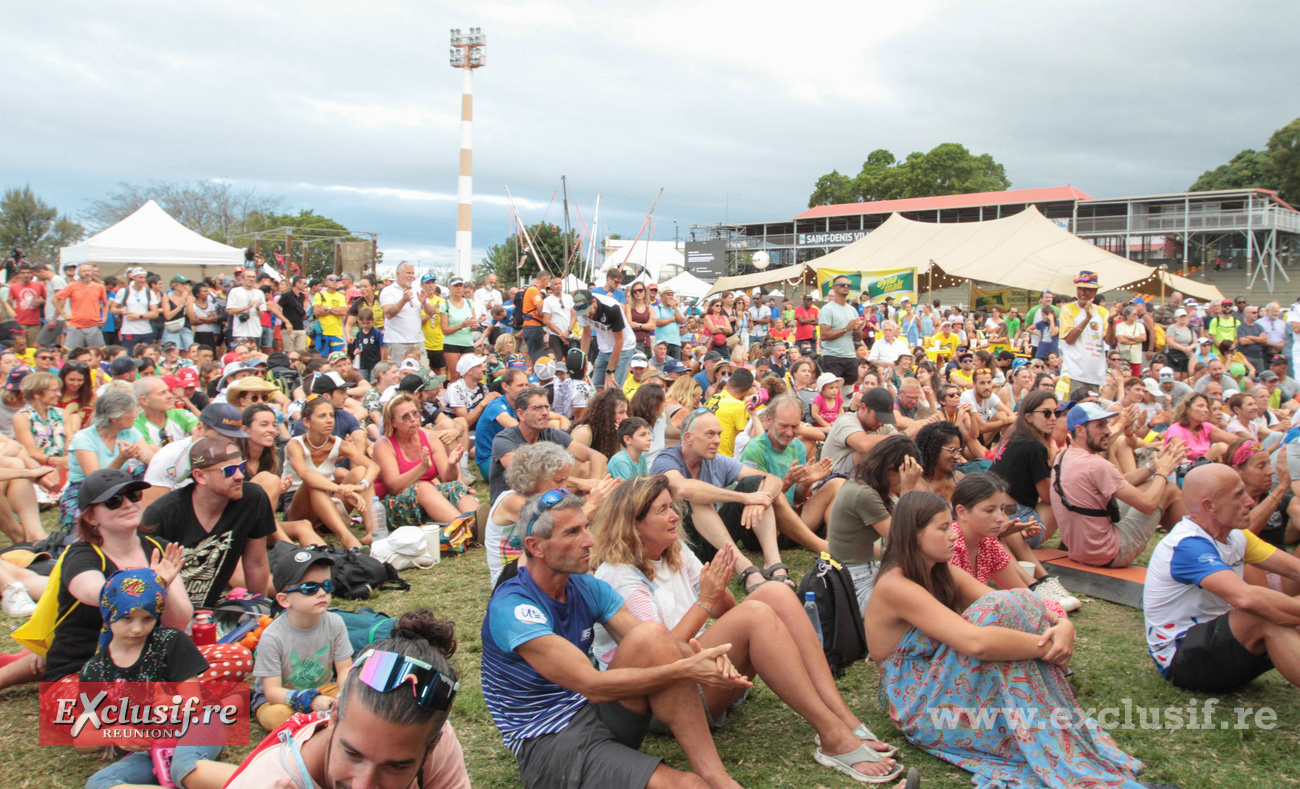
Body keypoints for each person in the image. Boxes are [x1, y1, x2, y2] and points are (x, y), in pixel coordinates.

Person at [591, 476, 905, 783]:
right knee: (755, 612)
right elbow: (659, 651)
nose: (675, 516)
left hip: (703, 670)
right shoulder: (619, 575)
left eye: (672, 507)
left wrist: (718, 586)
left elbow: (725, 610)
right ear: (634, 523)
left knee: (775, 593)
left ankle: (843, 718)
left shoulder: (674, 552)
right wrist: (705, 600)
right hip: (664, 699)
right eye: (663, 510)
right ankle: (832, 736)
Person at [865, 491, 1147, 788]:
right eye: (943, 528)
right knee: (995, 613)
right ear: (913, 534)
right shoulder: (895, 585)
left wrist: (1062, 624)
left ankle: (1044, 720)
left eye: (952, 526)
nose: (953, 536)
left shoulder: (942, 572)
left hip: (944, 687)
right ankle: (1047, 722)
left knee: (1014, 601)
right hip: (921, 710)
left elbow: (1017, 603)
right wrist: (1048, 647)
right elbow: (977, 643)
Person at [480, 489, 753, 789]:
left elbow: (656, 646)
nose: (590, 540)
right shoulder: (514, 608)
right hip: (549, 741)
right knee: (689, 786)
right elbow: (591, 685)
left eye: (586, 527)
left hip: (590, 713)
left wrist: (702, 656)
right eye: (573, 532)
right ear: (536, 546)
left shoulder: (584, 586)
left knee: (652, 635)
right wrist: (685, 669)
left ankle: (717, 774)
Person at [226, 608, 470, 789]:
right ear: (333, 718)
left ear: (431, 747)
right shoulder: (272, 782)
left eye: (396, 766)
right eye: (353, 754)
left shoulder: (429, 737)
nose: (362, 785)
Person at [76, 567, 238, 789]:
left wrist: (172, 705)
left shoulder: (170, 641)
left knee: (184, 768)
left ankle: (271, 782)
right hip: (150, 746)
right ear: (108, 613)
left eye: (148, 618)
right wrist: (113, 734)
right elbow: (81, 739)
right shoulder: (94, 671)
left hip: (199, 722)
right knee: (99, 784)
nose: (137, 628)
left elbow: (195, 703)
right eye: (127, 618)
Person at [1145, 463, 1300, 692]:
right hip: (1181, 660)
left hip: (1220, 648)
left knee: (1280, 609)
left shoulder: (1237, 536)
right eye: (1239, 495)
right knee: (1263, 612)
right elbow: (1246, 599)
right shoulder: (1187, 545)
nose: (1250, 501)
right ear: (1211, 507)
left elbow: (1296, 569)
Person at [654, 410, 823, 592]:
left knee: (756, 484)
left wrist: (758, 500)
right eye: (709, 434)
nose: (717, 440)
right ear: (688, 437)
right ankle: (746, 570)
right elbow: (684, 489)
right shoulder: (666, 460)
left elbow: (772, 479)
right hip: (680, 546)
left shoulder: (718, 461)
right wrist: (745, 497)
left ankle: (773, 563)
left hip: (714, 542)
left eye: (719, 434)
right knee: (698, 497)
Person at [1050, 402, 1187, 568]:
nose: (1107, 431)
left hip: (1079, 548)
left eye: (1106, 425)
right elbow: (1148, 505)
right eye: (1100, 426)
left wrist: (1154, 465)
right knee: (1168, 489)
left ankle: (1188, 546)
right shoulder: (1097, 465)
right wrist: (1163, 472)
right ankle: (1196, 549)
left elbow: (1121, 482)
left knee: (1149, 485)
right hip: (1107, 553)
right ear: (1080, 431)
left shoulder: (1063, 456)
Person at [142, 436, 274, 605]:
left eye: (241, 466)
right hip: (166, 612)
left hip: (210, 613)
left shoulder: (252, 499)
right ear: (200, 476)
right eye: (229, 470)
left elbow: (256, 563)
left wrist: (258, 610)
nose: (240, 475)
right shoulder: (161, 514)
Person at [252, 549, 354, 730]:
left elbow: (345, 670)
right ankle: (324, 718)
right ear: (284, 600)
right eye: (310, 588)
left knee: (357, 696)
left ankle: (321, 717)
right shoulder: (272, 637)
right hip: (282, 699)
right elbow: (272, 691)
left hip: (325, 689)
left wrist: (345, 695)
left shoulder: (335, 623)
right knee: (276, 716)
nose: (322, 593)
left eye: (327, 585)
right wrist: (308, 700)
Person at [740, 395, 842, 538]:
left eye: (795, 426)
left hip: (791, 519)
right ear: (769, 420)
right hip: (765, 525)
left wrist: (806, 483)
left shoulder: (797, 446)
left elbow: (798, 498)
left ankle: (833, 544)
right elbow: (757, 499)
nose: (789, 433)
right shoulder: (755, 448)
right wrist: (787, 482)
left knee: (837, 483)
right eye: (783, 426)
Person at [284, 398, 380, 549]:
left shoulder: (338, 443)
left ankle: (371, 532)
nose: (329, 420)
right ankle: (347, 538)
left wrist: (361, 486)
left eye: (331, 415)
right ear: (307, 422)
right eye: (322, 416)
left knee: (360, 471)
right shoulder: (295, 445)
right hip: (298, 508)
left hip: (325, 504)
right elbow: (305, 474)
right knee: (313, 483)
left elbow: (373, 466)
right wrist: (342, 490)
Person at [489, 386, 606, 506]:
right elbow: (526, 474)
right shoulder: (504, 440)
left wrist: (594, 484)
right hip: (513, 504)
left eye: (546, 407)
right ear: (521, 414)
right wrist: (579, 483)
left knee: (586, 466)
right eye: (538, 408)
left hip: (544, 498)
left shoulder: (551, 433)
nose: (545, 413)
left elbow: (597, 456)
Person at [373, 393, 476, 527]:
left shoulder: (430, 439)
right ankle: (466, 527)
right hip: (391, 505)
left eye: (415, 413)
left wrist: (451, 465)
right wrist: (422, 468)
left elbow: (448, 479)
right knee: (423, 487)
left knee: (456, 486)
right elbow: (393, 487)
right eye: (405, 417)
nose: (413, 419)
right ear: (393, 422)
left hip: (424, 500)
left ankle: (480, 522)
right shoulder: (384, 445)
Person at [61, 390, 155, 532]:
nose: (135, 415)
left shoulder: (130, 432)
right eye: (131, 412)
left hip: (121, 484)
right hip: (87, 489)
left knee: (148, 469)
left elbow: (154, 461)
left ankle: (150, 510)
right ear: (114, 417)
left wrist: (142, 457)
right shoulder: (84, 438)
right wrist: (121, 458)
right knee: (92, 526)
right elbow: (95, 481)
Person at [822, 387, 898, 476]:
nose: (881, 423)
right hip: (832, 481)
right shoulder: (846, 420)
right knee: (869, 451)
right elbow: (863, 445)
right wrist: (901, 436)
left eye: (884, 419)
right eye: (878, 417)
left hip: (858, 482)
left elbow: (900, 445)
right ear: (863, 407)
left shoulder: (882, 425)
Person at [1058, 270, 1108, 397]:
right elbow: (1069, 339)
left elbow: (1109, 341)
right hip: (1073, 374)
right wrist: (1087, 319)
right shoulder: (1067, 309)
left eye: (1087, 289)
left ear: (1095, 292)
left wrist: (1112, 322)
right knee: (1069, 410)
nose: (1082, 293)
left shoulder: (1102, 312)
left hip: (1096, 375)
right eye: (1080, 288)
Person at [576, 288, 636, 390]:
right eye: (584, 313)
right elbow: (586, 334)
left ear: (594, 302)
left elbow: (619, 341)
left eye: (588, 311)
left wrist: (610, 370)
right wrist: (583, 358)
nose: (587, 315)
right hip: (604, 347)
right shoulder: (581, 310)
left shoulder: (611, 307)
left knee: (612, 389)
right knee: (595, 388)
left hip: (623, 347)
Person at [1164, 391, 1238, 461]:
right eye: (1201, 406)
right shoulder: (1176, 430)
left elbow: (1237, 441)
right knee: (1220, 448)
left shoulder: (1205, 426)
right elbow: (1182, 463)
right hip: (1186, 471)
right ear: (1187, 409)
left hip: (1208, 468)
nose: (1206, 410)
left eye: (1206, 407)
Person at [132, 375, 199, 446]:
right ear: (144, 400)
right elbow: (155, 455)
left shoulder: (181, 414)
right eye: (162, 393)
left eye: (168, 391)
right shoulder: (136, 426)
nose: (170, 396)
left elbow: (201, 435)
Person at [438, 275, 483, 384]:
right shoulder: (445, 305)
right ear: (449, 288)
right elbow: (444, 330)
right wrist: (461, 326)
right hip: (452, 343)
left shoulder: (469, 303)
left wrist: (473, 325)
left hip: (467, 342)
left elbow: (475, 323)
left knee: (470, 373)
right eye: (456, 286)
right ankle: (453, 399)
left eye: (460, 286)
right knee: (456, 375)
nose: (459, 288)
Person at [54, 264, 107, 349]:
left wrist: (104, 317)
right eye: (83, 271)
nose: (86, 273)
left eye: (88, 271)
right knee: (71, 353)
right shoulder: (72, 286)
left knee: (98, 353)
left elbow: (105, 303)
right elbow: (55, 300)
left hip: (93, 325)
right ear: (78, 273)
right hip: (75, 326)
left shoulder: (99, 287)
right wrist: (64, 315)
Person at [226, 268, 267, 353]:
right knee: (240, 354)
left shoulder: (259, 293)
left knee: (254, 354)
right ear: (242, 278)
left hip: (255, 331)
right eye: (248, 277)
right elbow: (231, 311)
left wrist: (257, 308)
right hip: (240, 331)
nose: (251, 279)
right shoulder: (235, 291)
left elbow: (261, 315)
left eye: (253, 277)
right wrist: (247, 307)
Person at [607, 416, 651, 480]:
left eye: (648, 434)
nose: (649, 438)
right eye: (642, 435)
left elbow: (645, 480)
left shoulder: (641, 455)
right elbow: (626, 489)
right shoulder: (621, 461)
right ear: (627, 439)